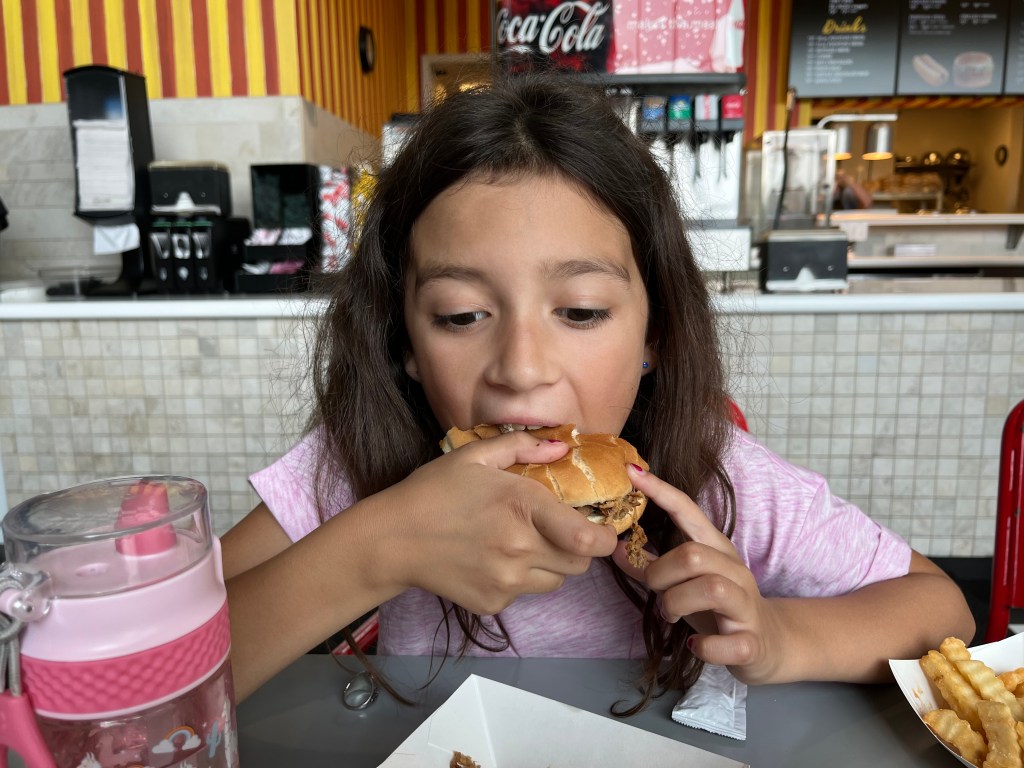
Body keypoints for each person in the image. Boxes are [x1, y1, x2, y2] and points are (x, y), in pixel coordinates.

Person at [221, 70, 974, 711]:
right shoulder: (358, 463)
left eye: (581, 312)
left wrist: (780, 637)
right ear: (406, 346)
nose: (522, 368)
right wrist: (374, 550)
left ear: (654, 334)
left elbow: (943, 610)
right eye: (461, 315)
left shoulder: (719, 478)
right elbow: (166, 662)